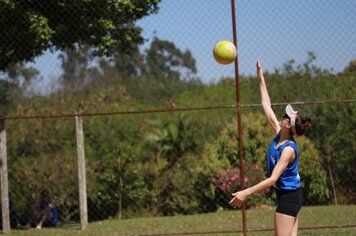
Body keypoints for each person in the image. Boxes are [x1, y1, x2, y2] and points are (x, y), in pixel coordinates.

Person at [229, 60, 312, 236]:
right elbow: (266, 106)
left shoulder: (288, 149)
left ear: (288, 125)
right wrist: (261, 77)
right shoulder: (278, 133)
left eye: (286, 116)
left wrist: (246, 192)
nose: (282, 115)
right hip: (288, 196)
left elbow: (273, 179)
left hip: (290, 198)